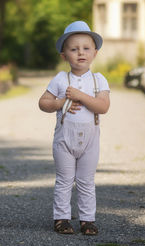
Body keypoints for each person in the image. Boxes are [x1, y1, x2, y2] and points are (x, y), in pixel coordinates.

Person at [38, 21, 110, 235]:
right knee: (64, 180)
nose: (81, 53)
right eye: (74, 49)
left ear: (95, 53)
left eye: (86, 48)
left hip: (90, 141)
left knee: (87, 180)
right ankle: (61, 218)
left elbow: (103, 106)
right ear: (64, 55)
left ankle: (88, 220)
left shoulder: (99, 80)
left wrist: (80, 96)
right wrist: (59, 103)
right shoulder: (61, 79)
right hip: (64, 141)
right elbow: (43, 103)